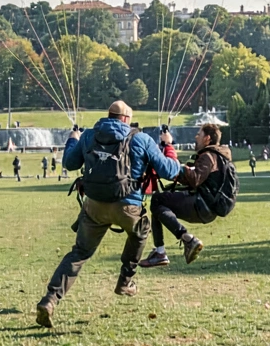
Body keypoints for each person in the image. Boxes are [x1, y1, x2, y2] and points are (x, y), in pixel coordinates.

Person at [36, 100, 181, 329]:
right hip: (128, 206)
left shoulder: (89, 136)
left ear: (109, 115)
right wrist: (169, 146)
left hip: (94, 205)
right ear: (125, 119)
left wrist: (73, 138)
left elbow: (70, 163)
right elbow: (169, 170)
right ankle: (125, 281)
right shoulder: (140, 138)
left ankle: (50, 300)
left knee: (80, 253)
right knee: (141, 232)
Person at [141, 123, 233, 268]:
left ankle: (186, 239)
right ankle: (159, 253)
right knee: (159, 203)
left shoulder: (209, 156)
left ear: (207, 138)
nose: (196, 137)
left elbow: (195, 178)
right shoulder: (219, 157)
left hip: (201, 205)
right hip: (208, 207)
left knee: (158, 200)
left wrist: (178, 167)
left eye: (199, 134)